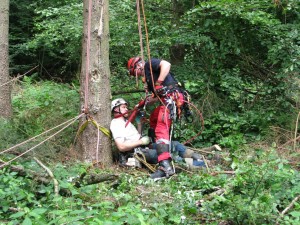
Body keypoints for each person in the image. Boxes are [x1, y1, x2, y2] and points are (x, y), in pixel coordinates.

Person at [127, 57, 188, 178]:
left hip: (172, 98)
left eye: (136, 73)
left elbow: (166, 64)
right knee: (154, 118)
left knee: (161, 126)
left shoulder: (149, 64)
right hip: (166, 101)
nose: (138, 75)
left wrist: (159, 82)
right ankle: (155, 147)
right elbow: (156, 97)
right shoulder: (149, 79)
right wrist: (145, 102)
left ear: (137, 66)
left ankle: (165, 166)